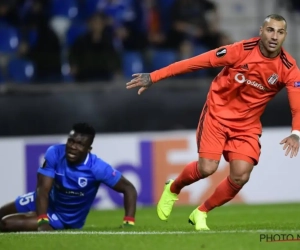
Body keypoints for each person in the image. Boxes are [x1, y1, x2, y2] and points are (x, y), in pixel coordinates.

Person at [126, 14, 300, 231]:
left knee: (240, 176)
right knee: (207, 168)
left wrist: (296, 132)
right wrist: (154, 76)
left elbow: (297, 105)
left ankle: (201, 212)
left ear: (285, 36)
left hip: (246, 125)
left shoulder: (289, 68)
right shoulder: (239, 51)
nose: (274, 36)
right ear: (261, 31)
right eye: (270, 30)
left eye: (280, 32)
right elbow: (194, 63)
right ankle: (173, 189)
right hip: (217, 114)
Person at [0, 123, 137, 232]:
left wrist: (128, 222)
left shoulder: (97, 168)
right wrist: (42, 221)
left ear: (89, 148)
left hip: (64, 218)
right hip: (45, 200)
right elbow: (43, 189)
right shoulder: (54, 153)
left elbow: (129, 188)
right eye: (71, 141)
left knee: (6, 223)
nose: (73, 147)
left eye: (80, 144)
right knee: (1, 212)